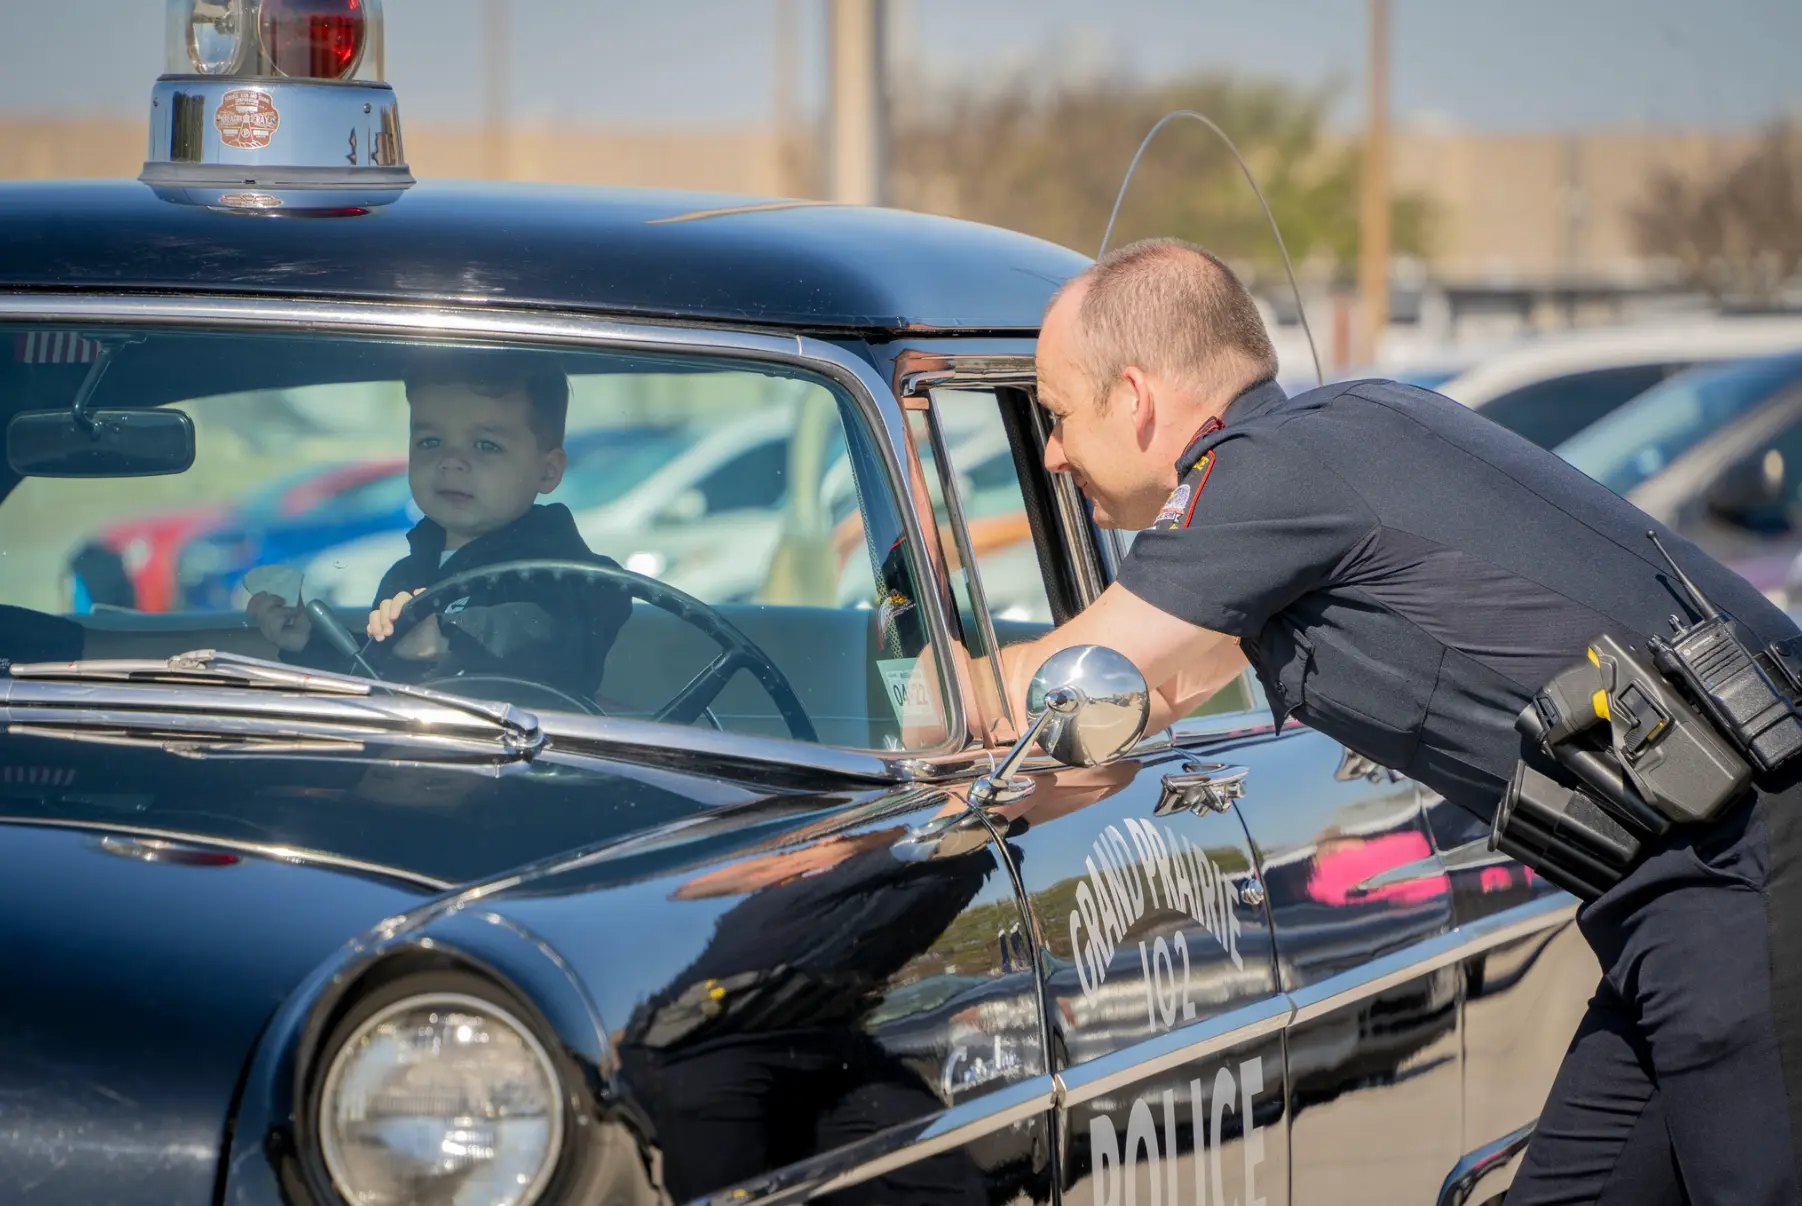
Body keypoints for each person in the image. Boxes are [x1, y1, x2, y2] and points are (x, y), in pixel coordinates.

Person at [999, 237, 1802, 1204]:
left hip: (1750, 872)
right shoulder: (1351, 427)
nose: (1048, 452)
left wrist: (891, 694)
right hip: (1684, 890)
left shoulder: (1262, 473)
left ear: (1135, 398)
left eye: (1054, 416)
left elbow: (1048, 685)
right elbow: (1149, 692)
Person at [248, 352, 632, 703]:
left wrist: (450, 637)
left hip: (530, 764)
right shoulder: (407, 573)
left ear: (547, 471)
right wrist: (314, 644)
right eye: (431, 441)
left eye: (485, 445)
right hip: (417, 756)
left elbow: (561, 630)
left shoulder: (569, 570)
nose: (451, 461)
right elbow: (381, 677)